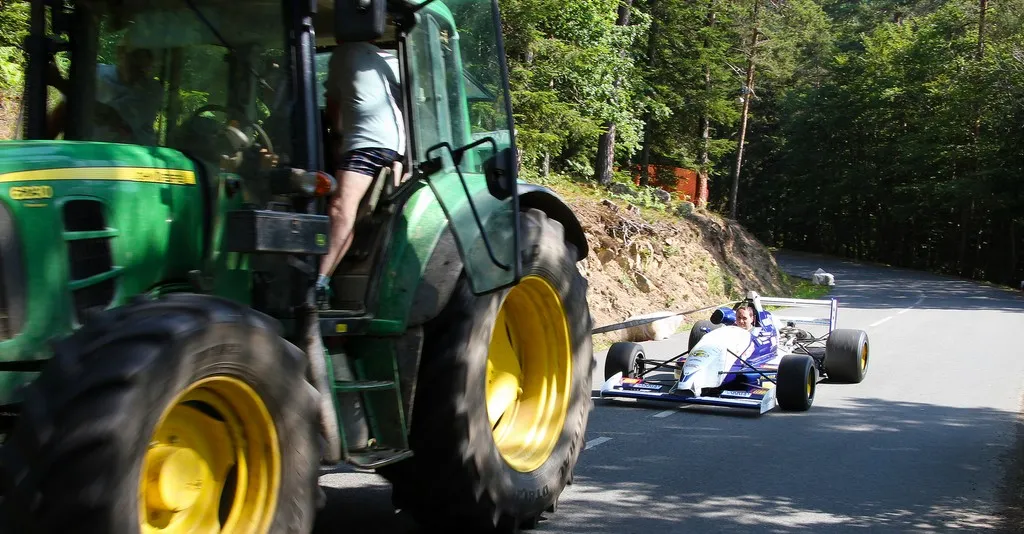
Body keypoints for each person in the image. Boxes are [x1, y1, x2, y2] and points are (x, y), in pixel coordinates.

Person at [315, 40, 405, 307]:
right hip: (395, 147)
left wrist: (335, 136)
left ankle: (316, 284)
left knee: (340, 209)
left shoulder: (344, 52)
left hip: (367, 143)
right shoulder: (392, 60)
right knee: (354, 215)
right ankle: (326, 279)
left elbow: (333, 110)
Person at [47, 43, 164, 145]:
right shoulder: (96, 74)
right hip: (88, 155)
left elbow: (112, 117)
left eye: (145, 67)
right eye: (135, 59)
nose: (140, 70)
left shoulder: (151, 91)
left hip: (133, 159)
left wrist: (60, 84)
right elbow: (64, 111)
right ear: (120, 53)